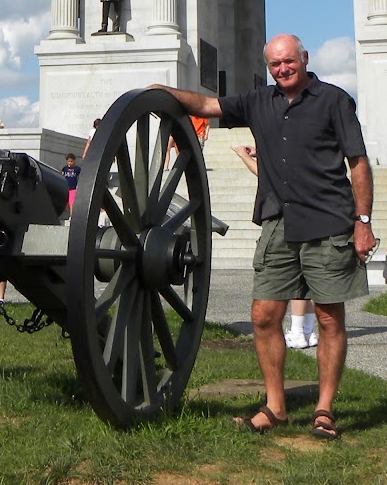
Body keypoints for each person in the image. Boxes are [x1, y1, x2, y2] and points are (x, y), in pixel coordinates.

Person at [156, 33, 375, 441]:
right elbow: (206, 105)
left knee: (328, 318)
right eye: (275, 64)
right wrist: (160, 91)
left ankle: (324, 409)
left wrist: (362, 221)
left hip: (329, 221)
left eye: (289, 61)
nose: (282, 69)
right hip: (278, 222)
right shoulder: (259, 101)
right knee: (263, 316)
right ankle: (276, 407)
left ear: (304, 59)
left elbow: (357, 162)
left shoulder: (334, 100)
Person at [232, 143, 315, 350]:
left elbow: (267, 173)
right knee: (308, 280)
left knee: (297, 279)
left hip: (291, 215)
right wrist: (260, 153)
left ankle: (298, 332)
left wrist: (244, 156)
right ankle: (308, 330)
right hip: (311, 211)